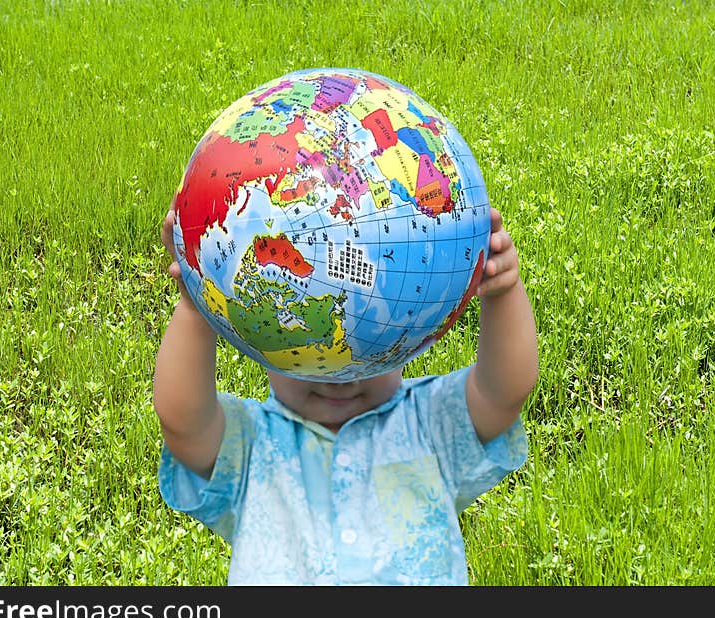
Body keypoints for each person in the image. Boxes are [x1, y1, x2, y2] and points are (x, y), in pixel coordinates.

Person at [153, 201, 539, 585]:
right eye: (302, 350)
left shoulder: (429, 423)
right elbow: (183, 421)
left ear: (405, 336)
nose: (339, 379)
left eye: (367, 348)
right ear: (261, 337)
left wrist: (502, 292)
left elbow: (501, 394)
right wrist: (196, 302)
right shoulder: (251, 447)